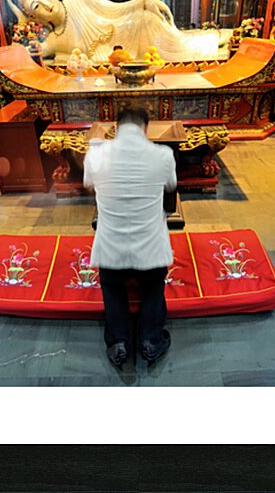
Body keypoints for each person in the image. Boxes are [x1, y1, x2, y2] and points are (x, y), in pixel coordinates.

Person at [83, 106, 177, 368]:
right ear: (145, 128)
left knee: (112, 289)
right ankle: (150, 340)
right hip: (151, 250)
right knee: (153, 288)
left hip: (111, 250)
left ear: (116, 126)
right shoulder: (163, 155)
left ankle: (118, 342)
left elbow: (88, 184)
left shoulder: (96, 155)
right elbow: (171, 187)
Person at [5, 0, 228, 64]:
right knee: (177, 44)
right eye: (36, 7)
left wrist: (144, 2)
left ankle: (223, 39)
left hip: (131, 28)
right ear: (34, 16)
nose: (46, 5)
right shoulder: (55, 39)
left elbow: (114, 9)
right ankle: (219, 41)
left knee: (180, 45)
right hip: (117, 54)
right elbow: (34, 51)